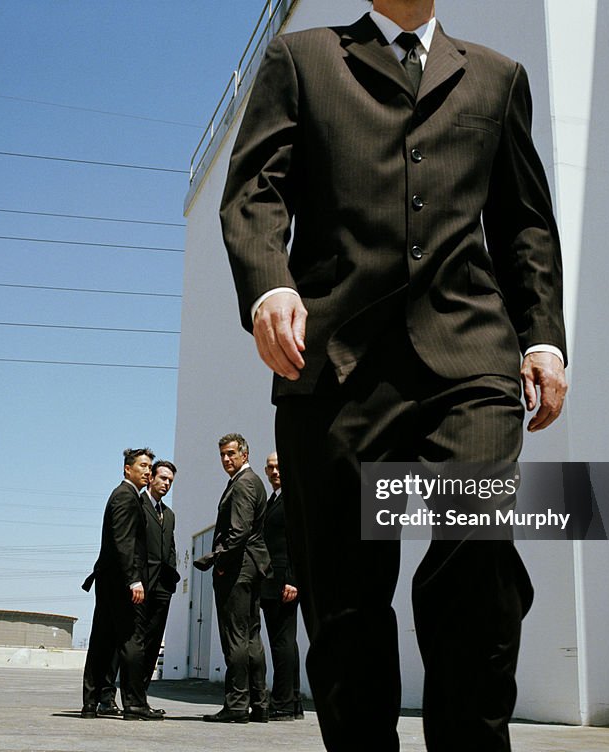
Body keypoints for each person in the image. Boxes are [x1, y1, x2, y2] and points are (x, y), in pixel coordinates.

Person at [220, 1, 568, 750]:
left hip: (469, 360)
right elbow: (256, 190)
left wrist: (543, 338)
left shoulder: (498, 78)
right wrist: (269, 284)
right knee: (344, 605)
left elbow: (524, 225)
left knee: (477, 560)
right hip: (335, 364)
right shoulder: (303, 58)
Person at [80, 448, 164, 721]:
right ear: (127, 469)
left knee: (102, 642)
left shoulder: (125, 496)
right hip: (122, 584)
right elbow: (124, 541)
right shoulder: (126, 497)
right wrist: (134, 579)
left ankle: (90, 704)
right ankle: (134, 704)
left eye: (149, 466)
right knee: (133, 642)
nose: (147, 471)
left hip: (109, 582)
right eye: (142, 465)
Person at [195, 434, 272, 723]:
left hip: (239, 568)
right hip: (252, 567)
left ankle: (238, 704)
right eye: (223, 455)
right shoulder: (251, 482)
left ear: (244, 453)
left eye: (231, 454)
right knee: (252, 636)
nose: (226, 460)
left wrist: (220, 561)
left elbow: (238, 531)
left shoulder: (243, 484)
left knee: (236, 638)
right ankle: (260, 703)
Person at [259, 452, 303, 721]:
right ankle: (294, 701)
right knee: (286, 642)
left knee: (282, 642)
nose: (275, 472)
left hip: (283, 582)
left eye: (279, 467)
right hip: (273, 580)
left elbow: (299, 542)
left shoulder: (293, 499)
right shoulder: (272, 499)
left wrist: (293, 580)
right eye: (271, 468)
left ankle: (283, 703)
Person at [139, 460, 180, 697]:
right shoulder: (138, 505)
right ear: (151, 477)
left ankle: (141, 694)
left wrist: (172, 578)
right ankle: (110, 695)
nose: (166, 484)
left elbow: (170, 547)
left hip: (162, 588)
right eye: (163, 478)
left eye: (170, 481)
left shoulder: (169, 514)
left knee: (153, 643)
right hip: (141, 586)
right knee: (133, 642)